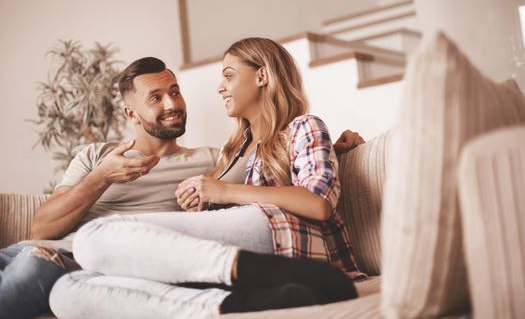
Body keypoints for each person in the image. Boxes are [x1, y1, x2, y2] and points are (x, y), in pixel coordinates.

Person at [0, 56, 363, 319]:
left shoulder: (214, 161)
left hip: (71, 263)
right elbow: (41, 229)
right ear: (130, 114)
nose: (172, 104)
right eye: (156, 98)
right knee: (62, 294)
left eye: (175, 92)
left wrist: (334, 148)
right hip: (34, 249)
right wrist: (102, 177)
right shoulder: (95, 156)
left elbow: (274, 162)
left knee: (45, 276)